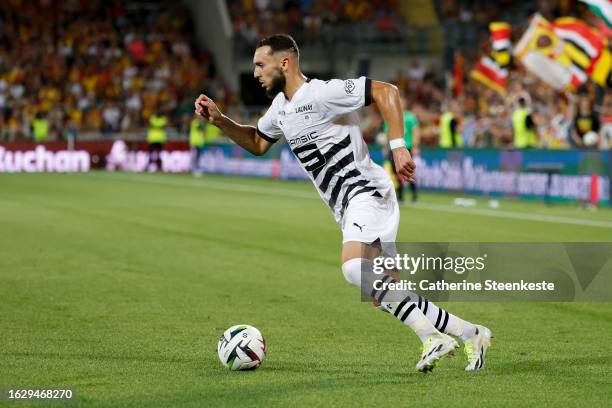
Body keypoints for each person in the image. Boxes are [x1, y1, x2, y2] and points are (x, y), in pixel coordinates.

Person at [195, 34, 491, 372]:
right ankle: (472, 333)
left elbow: (386, 91)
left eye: (261, 64)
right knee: (383, 291)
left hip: (366, 192)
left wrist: (398, 145)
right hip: (348, 206)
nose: (256, 73)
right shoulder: (281, 108)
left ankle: (432, 338)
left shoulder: (321, 94)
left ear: (285, 63)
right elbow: (258, 142)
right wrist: (219, 120)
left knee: (353, 268)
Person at [383, 97, 420, 202]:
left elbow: (415, 131)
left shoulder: (410, 117)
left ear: (405, 103)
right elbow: (387, 133)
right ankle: (400, 195)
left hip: (406, 148)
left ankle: (414, 194)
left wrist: (416, 146)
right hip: (393, 148)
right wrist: (386, 147)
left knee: (409, 171)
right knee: (396, 172)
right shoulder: (391, 116)